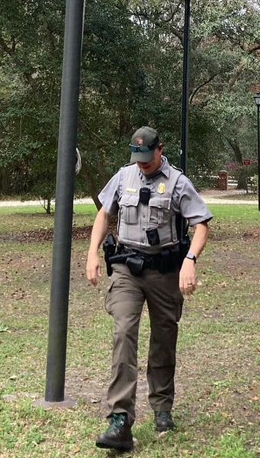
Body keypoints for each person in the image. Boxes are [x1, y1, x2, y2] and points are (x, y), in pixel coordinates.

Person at [86, 125, 213, 452]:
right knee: (124, 331)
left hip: (164, 271)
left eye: (147, 157)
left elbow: (200, 225)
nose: (142, 163)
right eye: (137, 157)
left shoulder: (178, 183)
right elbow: (104, 214)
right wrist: (91, 255)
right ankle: (120, 418)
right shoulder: (124, 176)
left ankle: (162, 407)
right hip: (127, 267)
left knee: (163, 337)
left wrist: (190, 260)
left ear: (160, 149)